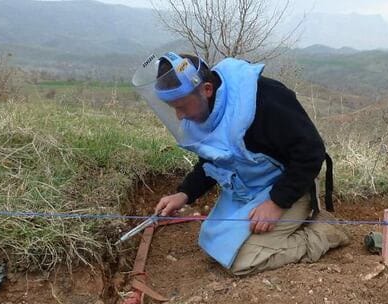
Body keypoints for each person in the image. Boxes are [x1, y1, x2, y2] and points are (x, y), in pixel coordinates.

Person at [132, 52, 347, 275]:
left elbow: (312, 152)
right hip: (250, 187)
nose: (179, 116)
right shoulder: (207, 111)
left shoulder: (265, 100)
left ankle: (324, 233)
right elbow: (213, 159)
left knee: (243, 262)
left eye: (182, 106)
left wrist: (276, 203)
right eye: (173, 108)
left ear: (206, 89)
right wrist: (184, 194)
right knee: (214, 242)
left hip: (291, 185)